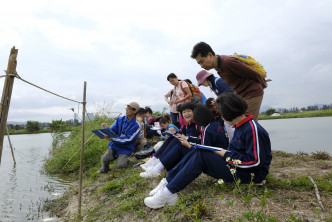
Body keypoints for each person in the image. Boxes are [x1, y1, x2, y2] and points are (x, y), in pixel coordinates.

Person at [144, 92, 272, 209]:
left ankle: (167, 194)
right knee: (198, 151)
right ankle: (167, 182)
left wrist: (225, 153)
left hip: (250, 175)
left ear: (228, 112)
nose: (220, 116)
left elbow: (255, 162)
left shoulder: (252, 129)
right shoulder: (240, 126)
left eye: (220, 112)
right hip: (236, 166)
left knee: (201, 155)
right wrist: (223, 152)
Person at [191, 42, 267, 121]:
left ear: (210, 55)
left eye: (202, 61)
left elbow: (254, 74)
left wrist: (263, 84)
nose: (202, 66)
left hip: (252, 93)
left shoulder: (228, 62)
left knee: (247, 124)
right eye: (199, 63)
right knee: (240, 123)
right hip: (241, 96)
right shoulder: (219, 67)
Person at [140, 102, 202, 177]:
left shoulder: (198, 124)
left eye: (189, 111)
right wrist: (174, 132)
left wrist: (186, 138)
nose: (186, 114)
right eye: (184, 112)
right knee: (172, 137)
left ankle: (157, 168)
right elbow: (180, 133)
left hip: (192, 149)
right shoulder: (187, 125)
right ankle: (154, 161)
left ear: (194, 111)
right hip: (186, 145)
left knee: (177, 140)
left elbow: (201, 140)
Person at [97, 102, 141, 173]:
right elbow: (112, 131)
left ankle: (125, 159)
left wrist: (114, 138)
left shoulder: (136, 126)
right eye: (126, 108)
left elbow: (128, 139)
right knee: (104, 159)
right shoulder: (119, 120)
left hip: (125, 148)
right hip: (114, 145)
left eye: (129, 109)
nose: (126, 110)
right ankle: (104, 169)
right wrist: (106, 130)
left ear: (135, 111)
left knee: (121, 166)